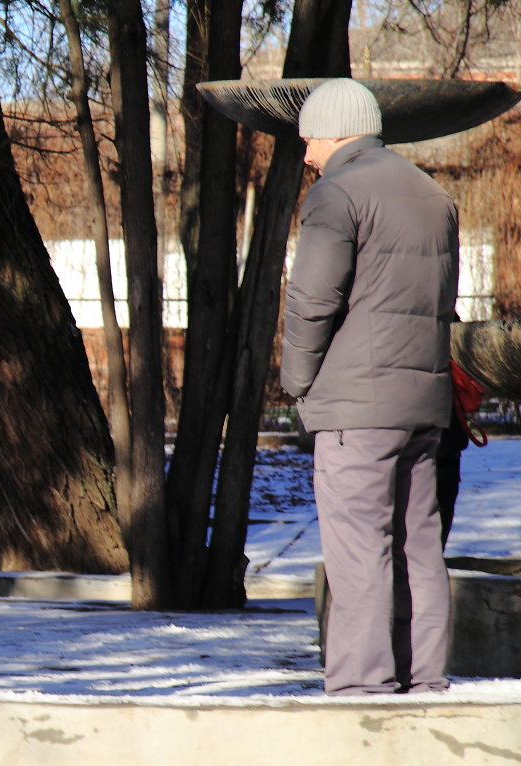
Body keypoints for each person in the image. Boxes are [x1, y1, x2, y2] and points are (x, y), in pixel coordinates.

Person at [280, 78, 459, 695]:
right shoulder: (432, 194)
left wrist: (299, 385)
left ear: (334, 132)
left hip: (357, 407)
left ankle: (361, 690)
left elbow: (310, 301)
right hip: (423, 403)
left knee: (357, 552)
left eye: (308, 140)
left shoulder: (338, 193)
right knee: (418, 547)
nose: (305, 154)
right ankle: (424, 679)